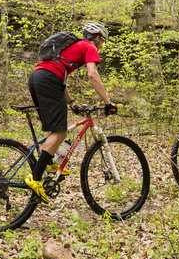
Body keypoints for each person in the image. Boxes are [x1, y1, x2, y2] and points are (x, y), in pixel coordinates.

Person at [24, 21, 117, 203]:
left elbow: (61, 78)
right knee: (61, 132)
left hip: (37, 78)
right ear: (97, 38)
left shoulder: (72, 48)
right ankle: (35, 178)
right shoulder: (89, 46)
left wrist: (72, 103)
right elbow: (92, 75)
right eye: (102, 41)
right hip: (48, 80)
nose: (101, 45)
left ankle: (50, 166)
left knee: (54, 130)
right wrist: (108, 102)